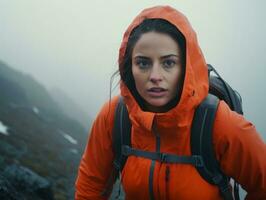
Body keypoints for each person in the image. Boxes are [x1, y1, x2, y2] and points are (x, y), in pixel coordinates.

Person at [75, 5, 266, 200]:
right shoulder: (115, 116)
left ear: (186, 67)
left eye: (168, 63)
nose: (155, 76)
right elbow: (90, 187)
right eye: (143, 63)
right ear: (129, 67)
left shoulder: (220, 124)